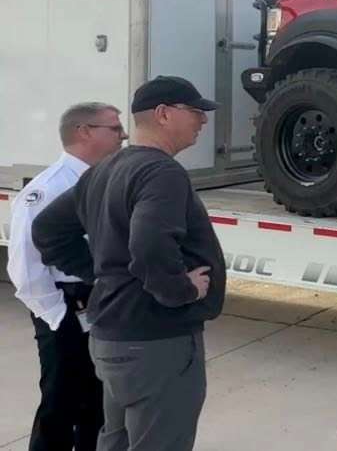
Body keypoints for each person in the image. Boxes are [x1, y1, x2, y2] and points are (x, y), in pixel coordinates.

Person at [33, 76, 227, 451]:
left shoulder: (105, 170)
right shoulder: (161, 172)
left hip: (114, 337)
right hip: (156, 342)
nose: (203, 121)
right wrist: (182, 288)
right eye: (195, 112)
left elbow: (48, 230)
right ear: (163, 114)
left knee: (115, 441)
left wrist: (106, 273)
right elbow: (150, 242)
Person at [7, 103, 126, 450]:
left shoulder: (106, 180)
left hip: (100, 302)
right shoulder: (47, 190)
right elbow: (25, 266)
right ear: (84, 132)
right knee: (60, 401)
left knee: (99, 400)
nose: (123, 136)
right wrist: (59, 318)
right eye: (114, 129)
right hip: (64, 306)